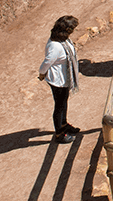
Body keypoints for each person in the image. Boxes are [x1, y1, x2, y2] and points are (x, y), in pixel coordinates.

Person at [37, 15, 80, 143]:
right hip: (58, 81)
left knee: (64, 102)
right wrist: (41, 73)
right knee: (59, 106)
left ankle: (64, 124)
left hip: (64, 78)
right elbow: (47, 62)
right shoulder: (55, 45)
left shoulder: (63, 40)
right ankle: (59, 133)